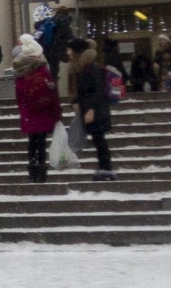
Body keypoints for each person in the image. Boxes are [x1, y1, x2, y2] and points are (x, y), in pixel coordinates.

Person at [12, 37, 60, 181]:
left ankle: (32, 170)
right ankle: (41, 170)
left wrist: (24, 110)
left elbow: (20, 96)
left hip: (29, 112)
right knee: (42, 142)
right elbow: (53, 94)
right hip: (44, 111)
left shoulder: (20, 72)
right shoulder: (43, 71)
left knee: (32, 141)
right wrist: (57, 114)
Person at [71, 37, 116, 182]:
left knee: (100, 140)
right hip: (93, 110)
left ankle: (106, 169)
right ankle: (104, 168)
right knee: (98, 140)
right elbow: (84, 91)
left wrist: (91, 109)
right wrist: (76, 101)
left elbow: (98, 91)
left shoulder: (92, 68)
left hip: (97, 111)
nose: (69, 53)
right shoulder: (85, 68)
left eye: (71, 50)